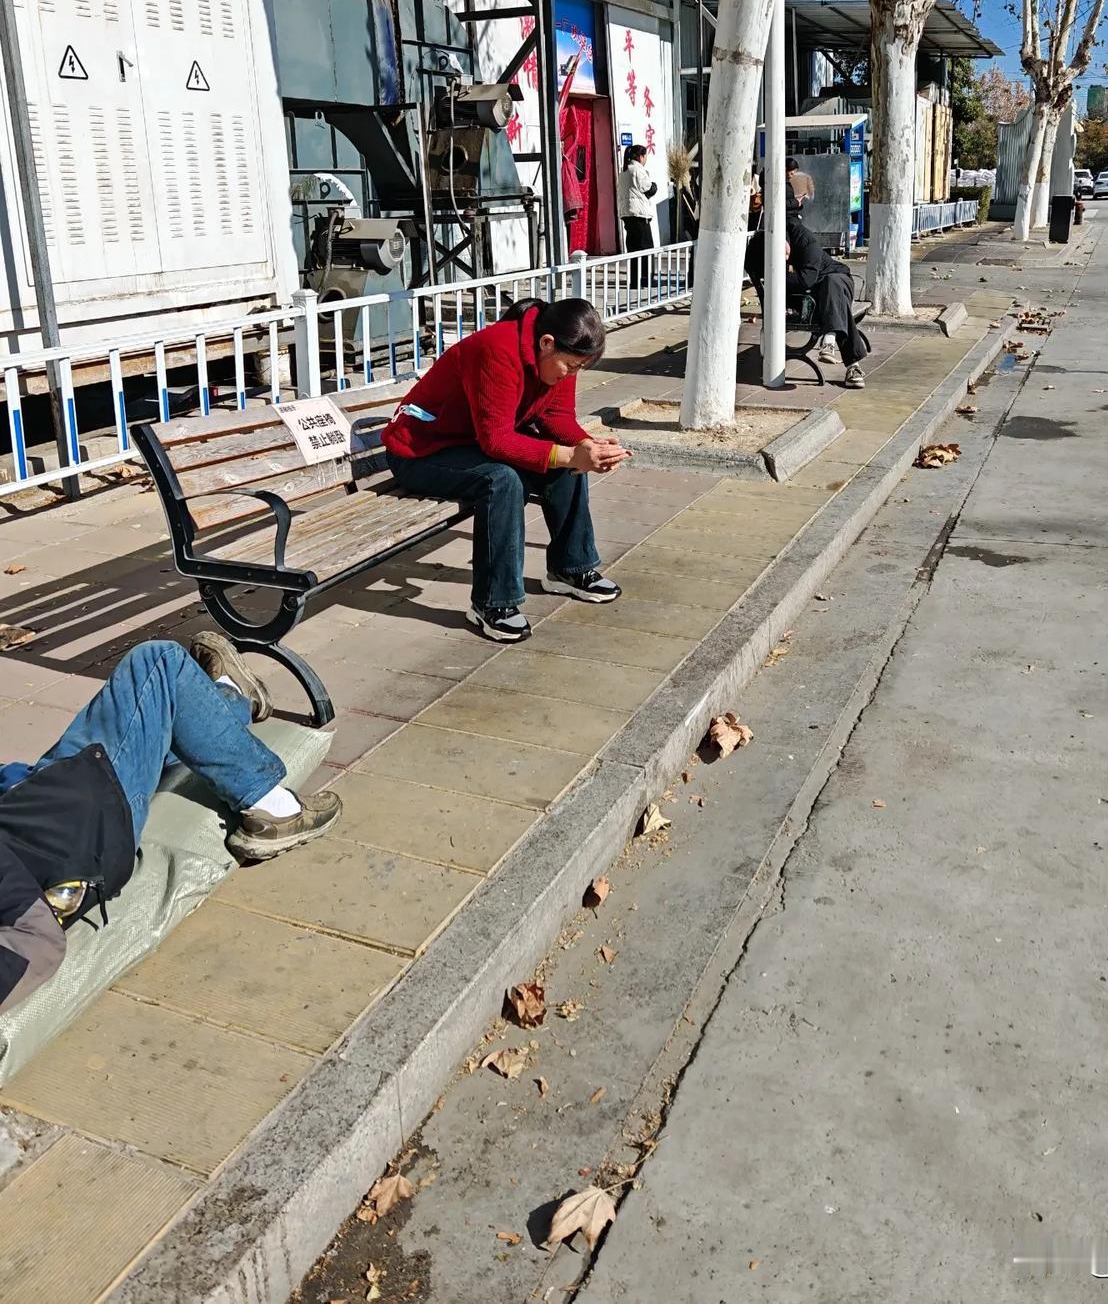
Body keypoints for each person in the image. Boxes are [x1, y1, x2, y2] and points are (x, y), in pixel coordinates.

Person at [0, 634, 342, 1015]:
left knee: (155, 721)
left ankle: (227, 700)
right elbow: (38, 942)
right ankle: (271, 807)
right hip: (75, 822)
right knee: (157, 663)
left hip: (37, 803)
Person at [382, 297, 629, 643]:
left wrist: (587, 446)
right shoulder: (495, 350)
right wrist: (570, 454)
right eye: (570, 366)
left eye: (578, 369)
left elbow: (555, 417)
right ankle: (492, 604)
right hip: (419, 450)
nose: (571, 374)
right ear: (546, 344)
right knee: (502, 480)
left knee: (567, 465)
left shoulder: (560, 349)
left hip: (470, 441)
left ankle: (570, 568)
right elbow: (496, 442)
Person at [745, 211, 871, 389]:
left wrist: (774, 276)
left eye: (785, 253)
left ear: (787, 241)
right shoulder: (758, 248)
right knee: (835, 308)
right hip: (812, 299)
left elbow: (806, 280)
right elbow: (756, 275)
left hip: (838, 281)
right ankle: (847, 359)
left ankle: (830, 341)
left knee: (832, 287)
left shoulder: (805, 239)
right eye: (777, 257)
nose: (785, 258)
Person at [618, 143, 658, 291]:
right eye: (645, 155)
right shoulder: (638, 171)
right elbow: (648, 188)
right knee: (646, 249)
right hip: (640, 215)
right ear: (641, 157)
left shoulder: (623, 172)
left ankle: (634, 281)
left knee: (633, 250)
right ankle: (646, 279)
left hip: (627, 214)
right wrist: (654, 185)